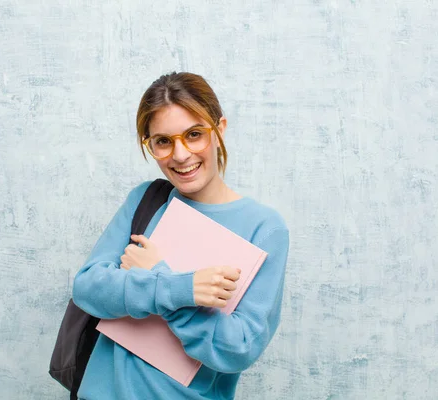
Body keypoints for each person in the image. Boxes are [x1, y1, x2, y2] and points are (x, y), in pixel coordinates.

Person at [71, 71, 290, 400]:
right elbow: (87, 288)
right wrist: (179, 288)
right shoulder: (146, 200)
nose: (181, 155)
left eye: (194, 134)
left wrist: (173, 295)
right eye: (163, 141)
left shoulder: (265, 228)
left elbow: (239, 349)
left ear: (220, 130)